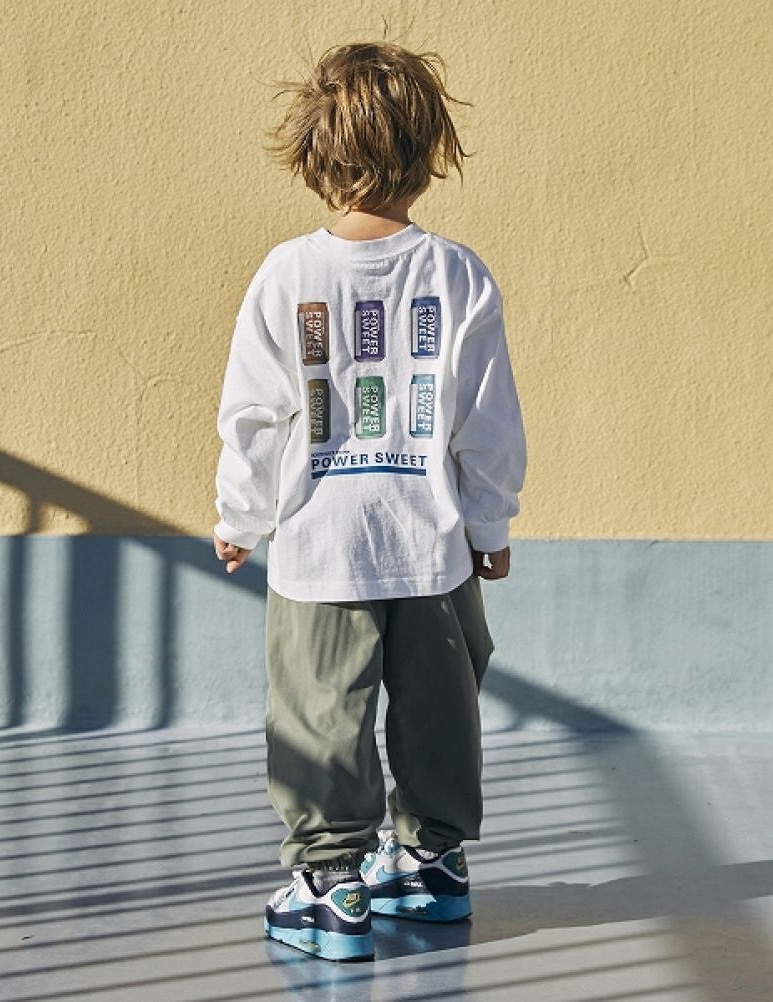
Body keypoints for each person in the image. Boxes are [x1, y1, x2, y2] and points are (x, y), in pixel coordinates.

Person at [212, 40, 527, 962]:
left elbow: (255, 416)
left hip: (321, 548)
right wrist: (490, 522)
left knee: (319, 712)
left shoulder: (286, 275)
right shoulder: (458, 274)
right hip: (433, 544)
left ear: (315, 154)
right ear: (429, 154)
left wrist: (240, 518)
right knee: (442, 707)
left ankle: (330, 883)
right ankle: (433, 862)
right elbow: (486, 420)